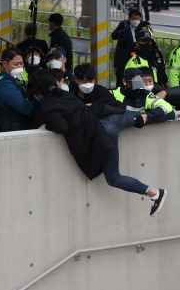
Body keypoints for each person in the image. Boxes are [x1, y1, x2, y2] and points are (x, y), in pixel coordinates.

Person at [29, 69, 167, 216]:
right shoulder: (65, 94)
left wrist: (47, 126)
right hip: (113, 118)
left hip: (102, 132)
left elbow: (63, 126)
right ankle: (177, 113)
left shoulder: (47, 106)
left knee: (114, 177)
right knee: (143, 116)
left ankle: (154, 193)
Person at [0, 47, 38, 132]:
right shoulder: (5, 84)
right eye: (16, 64)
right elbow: (25, 109)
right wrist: (38, 97)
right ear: (5, 64)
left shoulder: (13, 79)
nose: (20, 67)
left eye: (21, 64)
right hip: (9, 131)